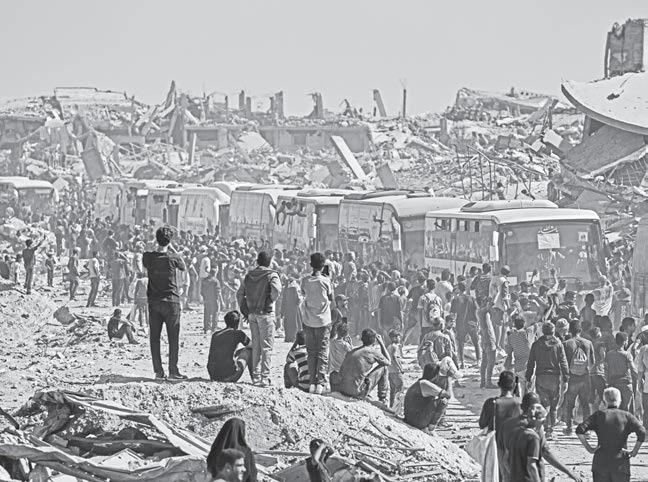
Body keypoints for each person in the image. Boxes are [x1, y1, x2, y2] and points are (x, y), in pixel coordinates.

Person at [142, 226, 187, 380]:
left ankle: (158, 372)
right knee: (173, 338)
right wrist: (171, 247)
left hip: (154, 301)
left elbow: (146, 261)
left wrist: (156, 246)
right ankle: (173, 370)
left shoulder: (148, 257)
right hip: (171, 301)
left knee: (154, 337)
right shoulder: (173, 257)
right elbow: (183, 266)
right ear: (170, 240)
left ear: (156, 239)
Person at [506, 393, 582, 482]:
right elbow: (544, 454)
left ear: (522, 406)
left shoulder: (508, 425)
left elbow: (502, 453)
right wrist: (569, 472)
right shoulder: (535, 430)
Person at [577, 387, 646, 482]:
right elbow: (642, 432)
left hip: (600, 462)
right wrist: (634, 451)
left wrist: (589, 448)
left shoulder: (598, 415)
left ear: (604, 400)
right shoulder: (627, 416)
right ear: (620, 400)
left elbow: (580, 430)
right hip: (621, 463)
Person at [237, 251, 282, 387]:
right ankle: (265, 377)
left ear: (257, 261)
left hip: (252, 314)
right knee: (266, 346)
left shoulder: (249, 275)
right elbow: (276, 291)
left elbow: (239, 294)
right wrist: (270, 299)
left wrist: (245, 310)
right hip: (266, 313)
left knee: (256, 345)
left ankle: (255, 377)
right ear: (270, 262)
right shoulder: (272, 275)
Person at [525, 321, 569, 438]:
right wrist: (566, 378)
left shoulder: (536, 344)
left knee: (544, 404)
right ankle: (550, 430)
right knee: (554, 405)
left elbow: (531, 363)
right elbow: (563, 362)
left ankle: (544, 427)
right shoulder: (558, 344)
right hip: (554, 378)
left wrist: (528, 378)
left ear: (543, 332)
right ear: (553, 331)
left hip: (541, 378)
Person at [300, 253, 333, 395]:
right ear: (323, 265)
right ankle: (320, 383)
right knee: (322, 353)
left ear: (311, 265)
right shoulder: (326, 281)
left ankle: (312, 383)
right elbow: (331, 297)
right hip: (323, 321)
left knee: (311, 353)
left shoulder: (305, 280)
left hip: (308, 321)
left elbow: (304, 293)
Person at [479, 371, 522, 480]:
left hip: (495, 447)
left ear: (499, 384)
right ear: (514, 385)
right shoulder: (518, 404)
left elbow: (482, 424)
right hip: (513, 448)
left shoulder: (491, 403)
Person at [332, 328, 390, 404]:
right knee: (384, 367)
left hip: (342, 388)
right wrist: (382, 343)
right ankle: (382, 399)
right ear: (374, 340)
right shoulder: (371, 351)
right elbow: (388, 362)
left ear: (362, 339)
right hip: (356, 392)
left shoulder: (352, 351)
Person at [562, 319, 594, 435]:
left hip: (572, 378)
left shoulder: (566, 344)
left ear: (570, 330)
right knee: (585, 404)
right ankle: (586, 430)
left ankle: (569, 428)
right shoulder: (588, 343)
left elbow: (564, 363)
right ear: (580, 330)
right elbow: (592, 362)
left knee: (570, 404)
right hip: (585, 377)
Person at [403, 362, 451, 432]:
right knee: (443, 401)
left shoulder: (421, 382)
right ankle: (431, 427)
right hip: (416, 421)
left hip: (410, 418)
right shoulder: (425, 384)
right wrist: (448, 379)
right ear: (435, 375)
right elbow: (448, 395)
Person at [207, 311, 252, 383]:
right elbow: (252, 346)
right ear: (237, 323)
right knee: (249, 351)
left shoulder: (215, 334)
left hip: (214, 376)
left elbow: (223, 352)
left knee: (242, 350)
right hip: (229, 376)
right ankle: (255, 378)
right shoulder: (238, 333)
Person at [605, 332, 637, 412]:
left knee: (614, 409)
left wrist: (607, 383)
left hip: (613, 384)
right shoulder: (627, 355)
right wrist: (640, 379)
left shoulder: (609, 354)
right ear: (625, 342)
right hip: (625, 385)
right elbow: (633, 369)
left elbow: (606, 370)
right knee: (627, 410)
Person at [450, 281, 480, 369]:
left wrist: (452, 324)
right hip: (471, 323)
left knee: (461, 344)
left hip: (461, 323)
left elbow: (452, 314)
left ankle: (462, 362)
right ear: (466, 288)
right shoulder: (471, 298)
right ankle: (478, 361)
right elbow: (476, 310)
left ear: (458, 289)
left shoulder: (455, 300)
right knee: (476, 343)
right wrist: (477, 322)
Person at [505, 315, 533, 397]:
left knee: (521, 389)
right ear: (524, 324)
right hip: (530, 367)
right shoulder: (528, 333)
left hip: (518, 367)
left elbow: (508, 351)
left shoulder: (511, 337)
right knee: (529, 390)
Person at [479, 298, 497, 389]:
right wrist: (489, 306)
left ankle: (483, 382)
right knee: (491, 361)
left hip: (485, 339)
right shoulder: (483, 311)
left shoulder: (482, 312)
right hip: (489, 339)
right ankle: (488, 382)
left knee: (484, 361)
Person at [202, 267, 223, 334]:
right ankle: (214, 328)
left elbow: (201, 291)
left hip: (206, 300)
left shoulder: (204, 280)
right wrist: (222, 301)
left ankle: (206, 328)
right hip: (214, 300)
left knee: (206, 314)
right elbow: (218, 292)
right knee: (215, 314)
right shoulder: (215, 281)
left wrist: (204, 298)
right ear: (215, 273)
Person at [635, 327, 648, 429]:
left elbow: (640, 369)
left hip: (647, 382)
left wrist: (639, 382)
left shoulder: (644, 349)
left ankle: (646, 429)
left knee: (646, 408)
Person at [387, 329, 405, 408]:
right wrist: (400, 368)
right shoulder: (395, 347)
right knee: (400, 389)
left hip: (390, 371)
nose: (399, 338)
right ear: (394, 338)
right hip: (396, 371)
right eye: (398, 337)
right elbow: (394, 357)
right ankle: (398, 407)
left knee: (393, 390)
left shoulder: (389, 346)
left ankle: (391, 406)